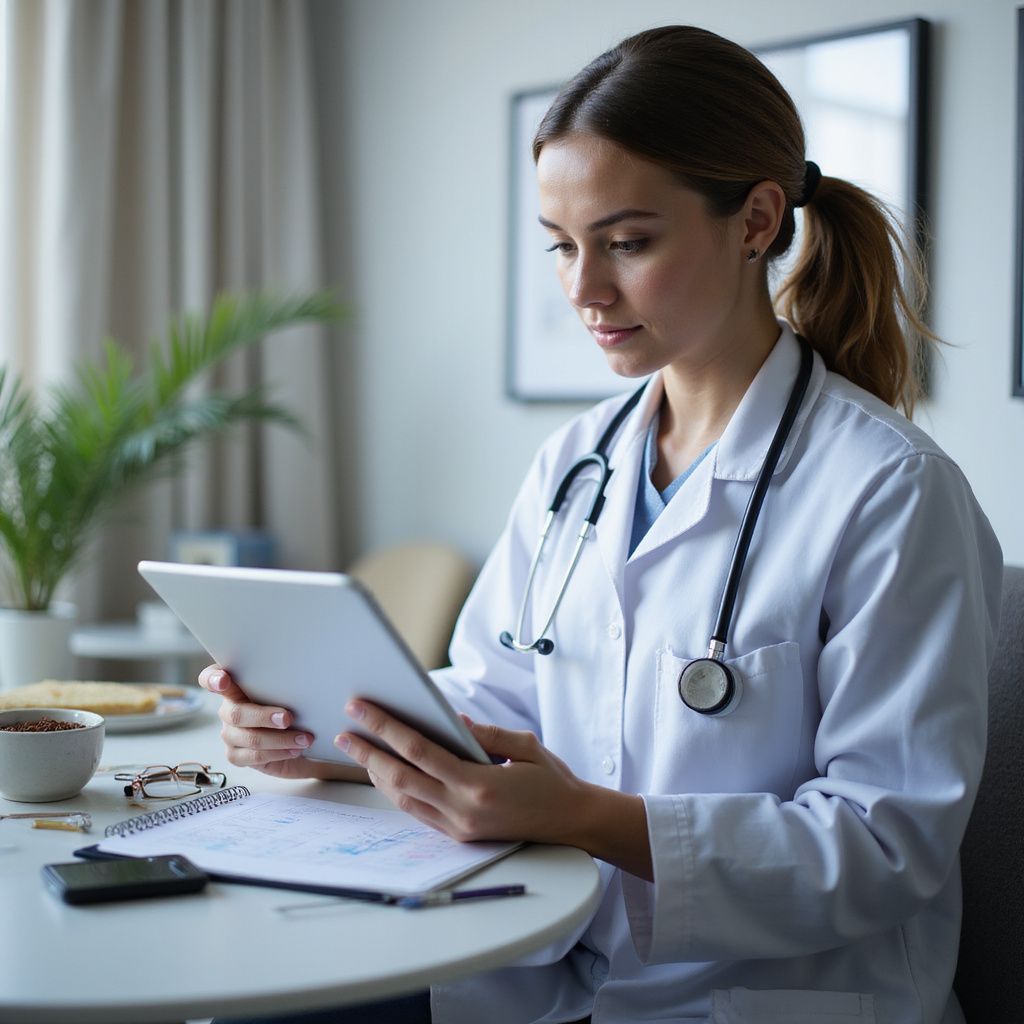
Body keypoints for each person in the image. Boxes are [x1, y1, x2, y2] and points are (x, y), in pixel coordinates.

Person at [205, 25, 1003, 1024]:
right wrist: (317, 728)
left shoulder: (890, 491)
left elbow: (885, 846)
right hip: (549, 965)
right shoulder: (577, 462)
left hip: (767, 1000)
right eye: (561, 244)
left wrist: (588, 817)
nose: (583, 288)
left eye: (627, 243)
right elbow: (495, 692)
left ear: (756, 221)